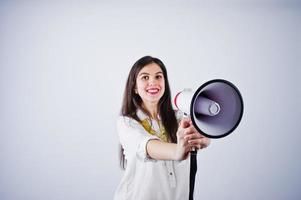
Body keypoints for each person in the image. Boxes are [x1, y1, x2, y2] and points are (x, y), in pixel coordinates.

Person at [114, 56, 211, 200]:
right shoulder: (126, 123)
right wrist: (178, 151)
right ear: (134, 86)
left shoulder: (179, 117)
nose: (152, 82)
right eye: (145, 77)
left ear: (164, 83)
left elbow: (201, 135)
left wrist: (203, 139)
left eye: (158, 77)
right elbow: (147, 146)